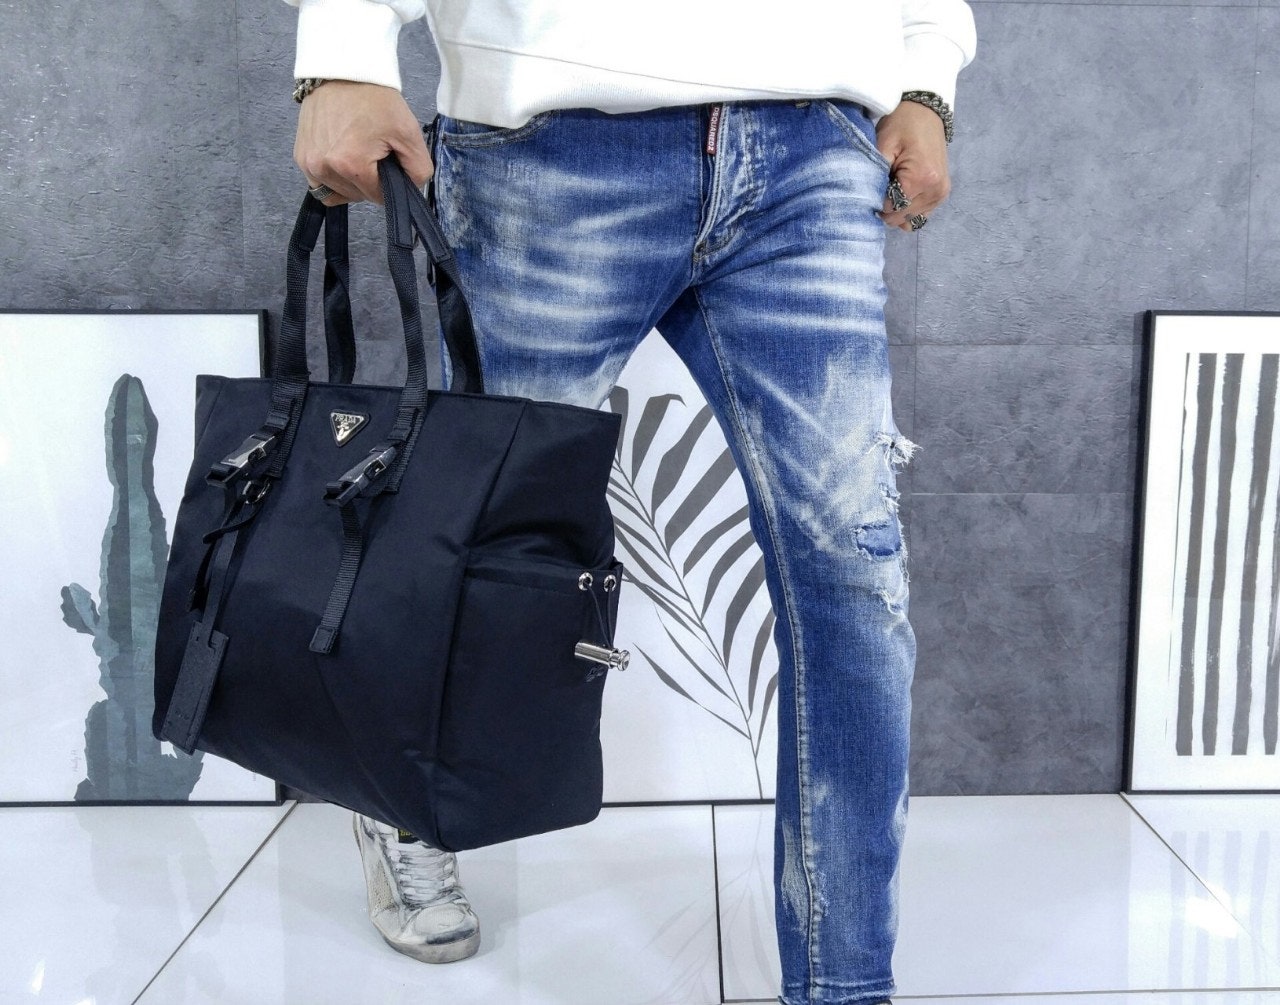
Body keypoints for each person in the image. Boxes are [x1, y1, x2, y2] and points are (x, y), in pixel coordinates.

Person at [283, 3, 976, 1002]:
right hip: (550, 142)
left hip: (813, 151)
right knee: (467, 537)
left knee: (853, 576)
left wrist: (922, 77)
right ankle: (402, 810)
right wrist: (341, 52)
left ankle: (845, 984)